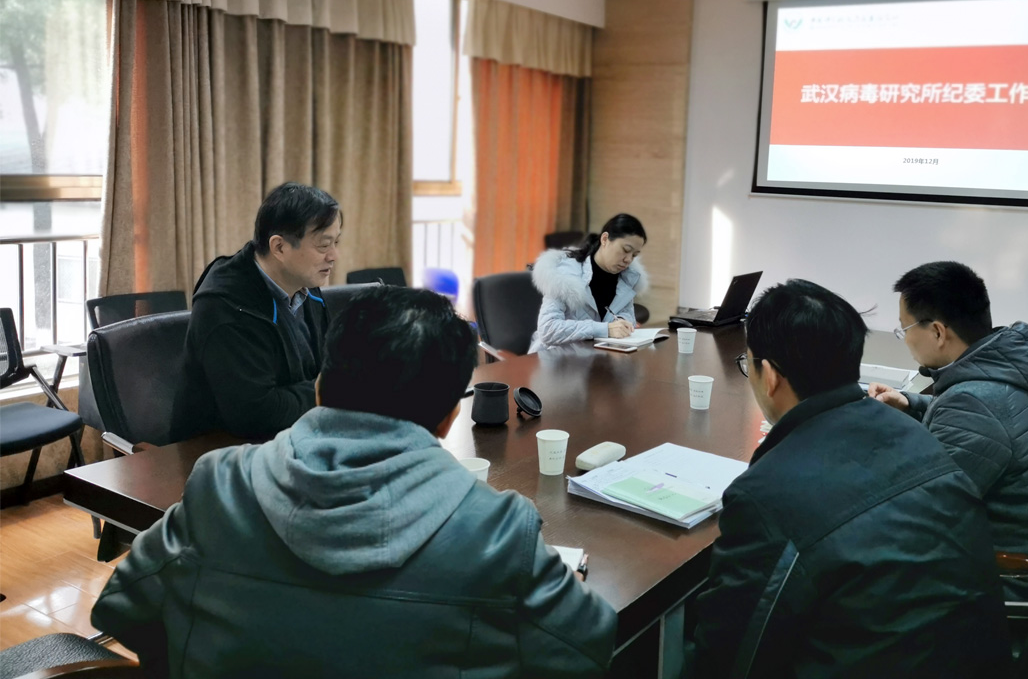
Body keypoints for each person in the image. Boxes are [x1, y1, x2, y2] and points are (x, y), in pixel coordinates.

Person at [92, 286, 617, 678]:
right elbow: (587, 649)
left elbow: (121, 609)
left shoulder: (219, 485)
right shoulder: (500, 530)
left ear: (320, 388)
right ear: (448, 420)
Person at [691, 279, 1010, 679]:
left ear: (769, 375)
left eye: (748, 364)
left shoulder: (764, 496)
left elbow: (731, 656)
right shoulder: (914, 433)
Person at [867, 261, 1028, 565]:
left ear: (938, 332)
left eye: (904, 329)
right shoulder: (1009, 367)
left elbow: (920, 513)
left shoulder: (973, 404)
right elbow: (988, 424)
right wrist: (909, 403)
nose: (903, 339)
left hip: (1011, 572)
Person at [173, 182, 341, 440]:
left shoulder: (305, 285)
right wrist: (329, 391)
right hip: (219, 452)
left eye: (335, 242)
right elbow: (256, 413)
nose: (334, 256)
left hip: (294, 437)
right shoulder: (226, 305)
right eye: (323, 245)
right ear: (280, 247)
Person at [529, 213, 648, 352]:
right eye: (625, 250)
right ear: (605, 239)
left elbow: (627, 316)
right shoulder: (565, 273)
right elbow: (548, 330)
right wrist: (605, 329)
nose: (628, 259)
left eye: (634, 255)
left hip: (595, 356)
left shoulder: (627, 278)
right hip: (555, 358)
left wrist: (621, 323)